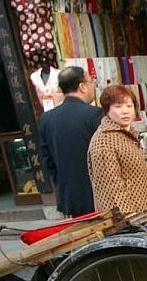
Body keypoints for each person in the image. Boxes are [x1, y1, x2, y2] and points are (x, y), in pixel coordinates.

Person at [38, 66, 103, 217]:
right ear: (82, 86)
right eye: (91, 81)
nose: (93, 85)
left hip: (70, 197)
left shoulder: (47, 119)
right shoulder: (95, 114)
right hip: (98, 194)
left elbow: (48, 161)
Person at [86, 84, 147, 215]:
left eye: (129, 106)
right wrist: (128, 219)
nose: (125, 111)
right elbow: (112, 188)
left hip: (145, 211)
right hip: (130, 218)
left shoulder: (127, 133)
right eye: (118, 107)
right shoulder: (104, 140)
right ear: (107, 109)